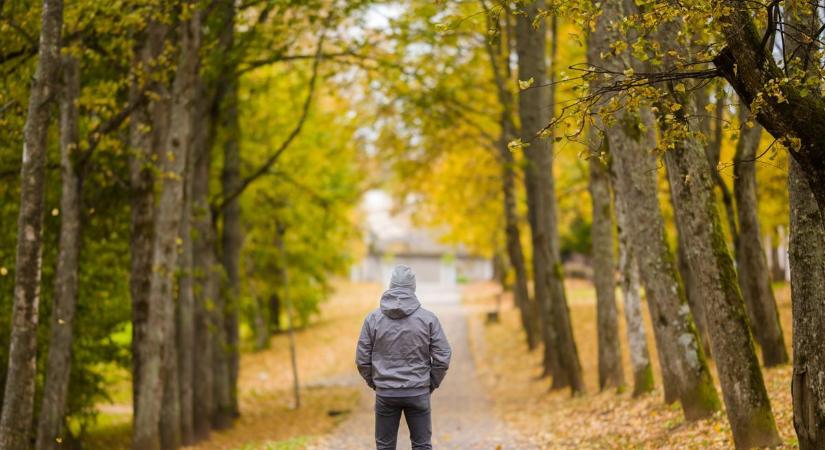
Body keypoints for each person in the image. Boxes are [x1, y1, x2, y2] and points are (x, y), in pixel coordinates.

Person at [356, 265, 452, 450]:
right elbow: (443, 355)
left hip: (386, 393)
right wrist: (429, 383)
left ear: (391, 286)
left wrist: (377, 382)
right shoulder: (428, 319)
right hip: (418, 392)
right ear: (412, 288)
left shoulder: (373, 319)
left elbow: (362, 358)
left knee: (384, 447)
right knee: (422, 446)